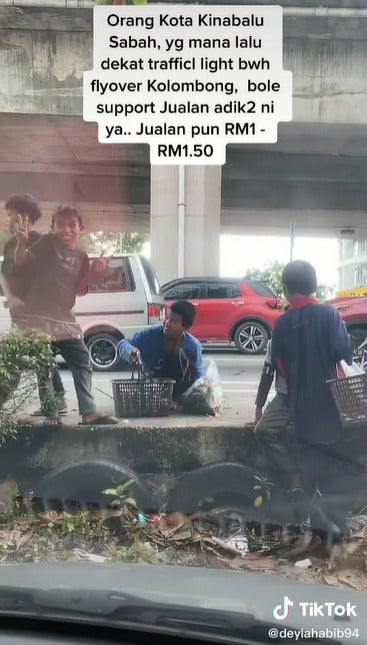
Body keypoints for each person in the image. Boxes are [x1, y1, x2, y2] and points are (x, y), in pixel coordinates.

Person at [271, 260, 365, 540]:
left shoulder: (282, 323)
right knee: (335, 477)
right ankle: (335, 537)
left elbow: (281, 367)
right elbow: (343, 355)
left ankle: (314, 533)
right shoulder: (329, 315)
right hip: (333, 411)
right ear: (314, 286)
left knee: (310, 476)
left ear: (287, 289)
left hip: (301, 414)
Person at [14, 203, 118, 426]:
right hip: (39, 317)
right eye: (60, 225)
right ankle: (51, 413)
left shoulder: (82, 256)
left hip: (64, 318)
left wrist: (95, 272)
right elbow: (22, 263)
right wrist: (22, 241)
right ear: (52, 228)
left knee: (81, 359)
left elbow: (80, 289)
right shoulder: (47, 243)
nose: (66, 230)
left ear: (82, 228)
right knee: (44, 366)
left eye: (72, 225)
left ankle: (88, 411)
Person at [0, 193, 67, 416]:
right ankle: (57, 401)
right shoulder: (10, 245)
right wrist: (11, 297)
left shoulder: (42, 241)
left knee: (32, 357)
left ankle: (50, 404)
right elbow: (6, 276)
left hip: (38, 312)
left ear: (23, 216)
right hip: (19, 313)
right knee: (41, 356)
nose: (7, 219)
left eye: (10, 215)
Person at [118, 300, 205, 401]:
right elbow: (123, 344)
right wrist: (130, 351)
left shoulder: (192, 346)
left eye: (174, 321)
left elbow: (199, 375)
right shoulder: (150, 335)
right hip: (151, 389)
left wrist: (204, 389)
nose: (167, 323)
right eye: (167, 317)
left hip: (179, 392)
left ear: (186, 327)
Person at [253, 334, 303, 497]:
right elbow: (267, 374)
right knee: (262, 431)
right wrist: (259, 409)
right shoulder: (275, 343)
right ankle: (292, 473)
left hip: (312, 397)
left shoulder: (313, 335)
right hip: (285, 397)